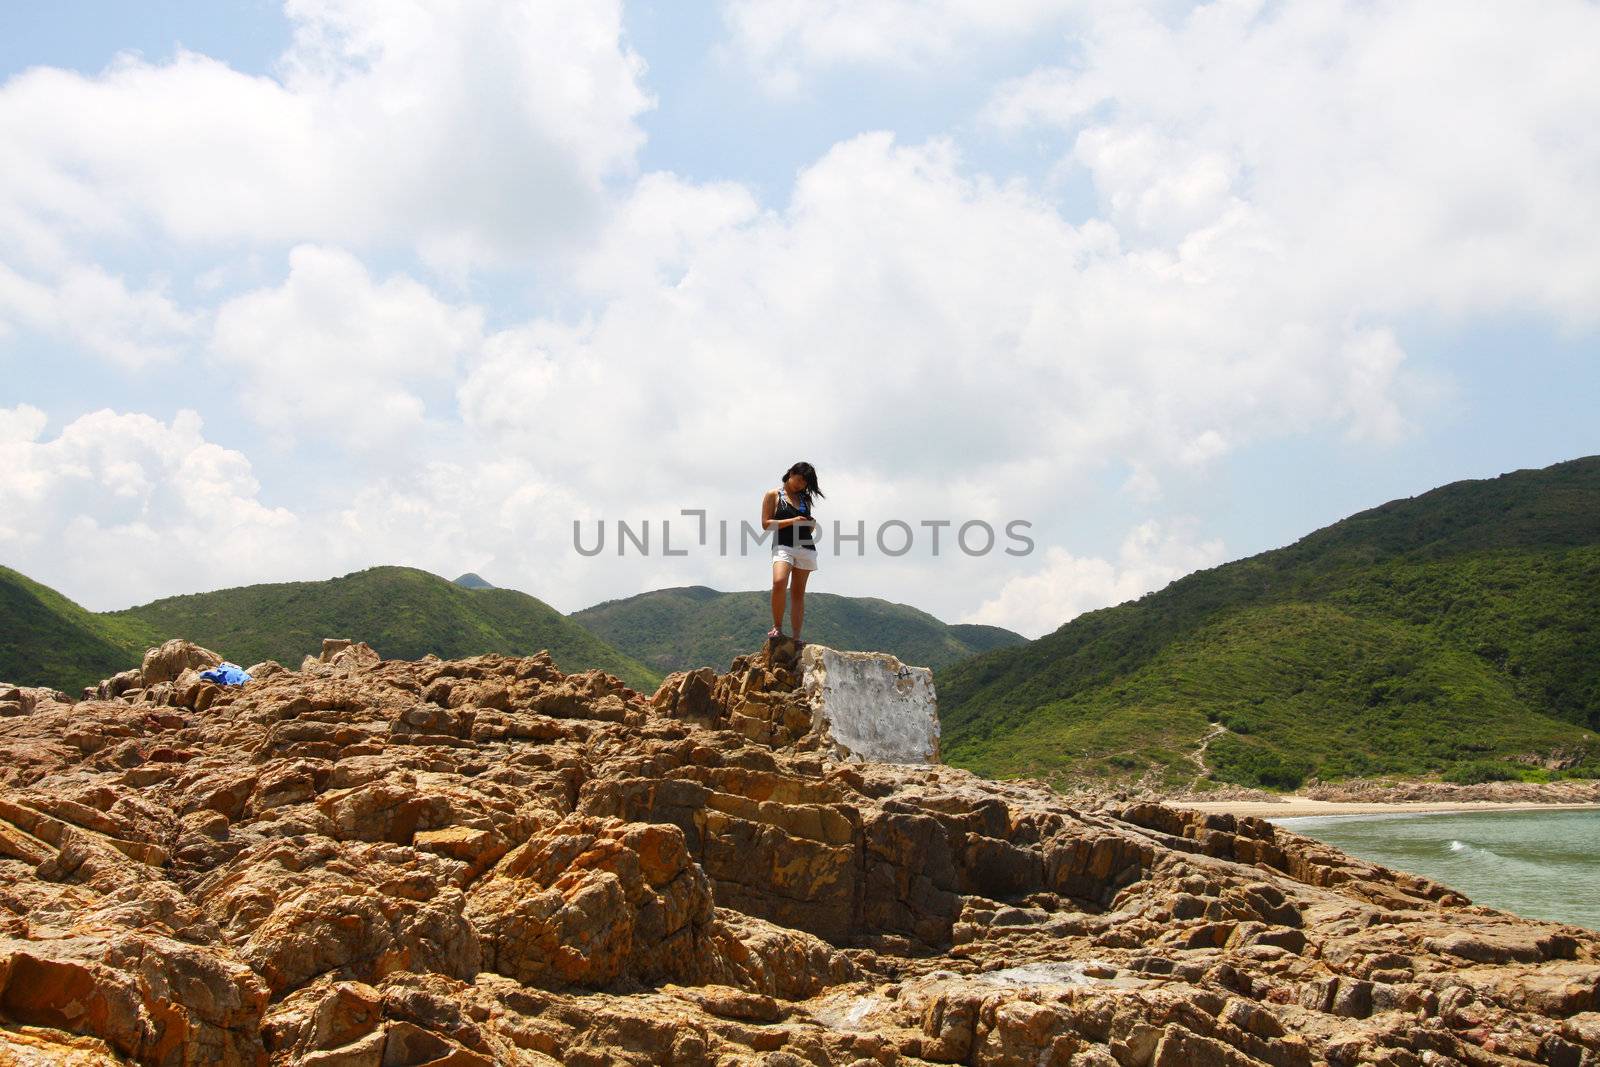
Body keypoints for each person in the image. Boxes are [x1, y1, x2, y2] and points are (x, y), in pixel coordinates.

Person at [763, 462, 824, 644]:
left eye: (805, 483)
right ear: (791, 473)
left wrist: (810, 525)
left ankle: (797, 637)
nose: (800, 484)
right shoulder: (773, 494)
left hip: (805, 546)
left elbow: (806, 528)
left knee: (798, 593)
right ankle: (777, 627)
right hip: (782, 544)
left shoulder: (805, 499)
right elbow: (766, 524)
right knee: (779, 582)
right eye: (799, 479)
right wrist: (793, 520)